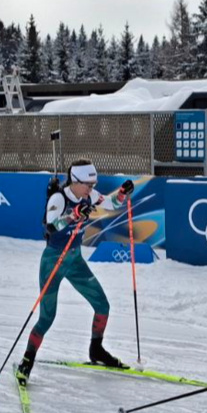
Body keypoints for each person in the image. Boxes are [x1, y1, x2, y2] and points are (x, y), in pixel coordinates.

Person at [14, 159, 134, 385]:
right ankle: (26, 362)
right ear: (75, 181)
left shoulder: (88, 194)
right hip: (54, 261)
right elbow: (49, 226)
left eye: (93, 184)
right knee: (47, 318)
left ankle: (96, 350)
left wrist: (121, 193)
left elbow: (110, 204)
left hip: (74, 259)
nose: (91, 188)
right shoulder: (59, 198)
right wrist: (73, 215)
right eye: (88, 184)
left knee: (103, 306)